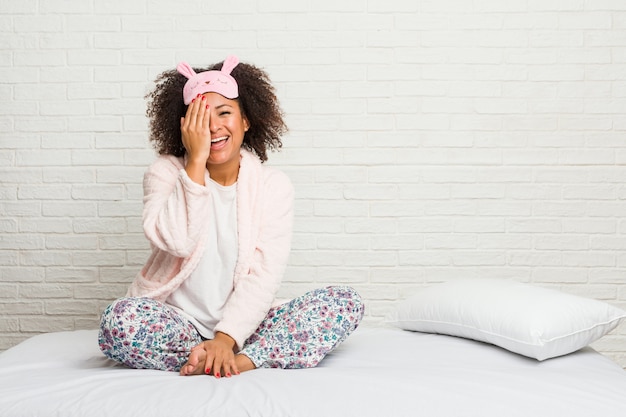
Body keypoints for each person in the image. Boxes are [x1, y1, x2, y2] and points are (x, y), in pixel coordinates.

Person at [98, 55, 364, 378]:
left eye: (225, 113)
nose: (213, 127)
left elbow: (264, 276)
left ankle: (232, 361)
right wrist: (195, 163)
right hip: (179, 326)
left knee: (345, 303)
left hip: (244, 329)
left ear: (246, 120)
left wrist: (226, 340)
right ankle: (210, 355)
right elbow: (178, 241)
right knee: (117, 321)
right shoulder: (164, 174)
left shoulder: (272, 187)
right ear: (184, 127)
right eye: (200, 118)